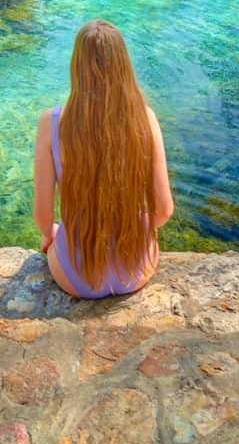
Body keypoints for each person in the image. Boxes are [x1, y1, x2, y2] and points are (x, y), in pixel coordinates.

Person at [33, 19, 174, 298]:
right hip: (135, 270)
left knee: (60, 238)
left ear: (77, 67)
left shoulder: (52, 123)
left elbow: (43, 216)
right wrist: (135, 229)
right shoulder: (145, 119)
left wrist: (51, 236)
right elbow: (163, 211)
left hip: (76, 276)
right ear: (124, 66)